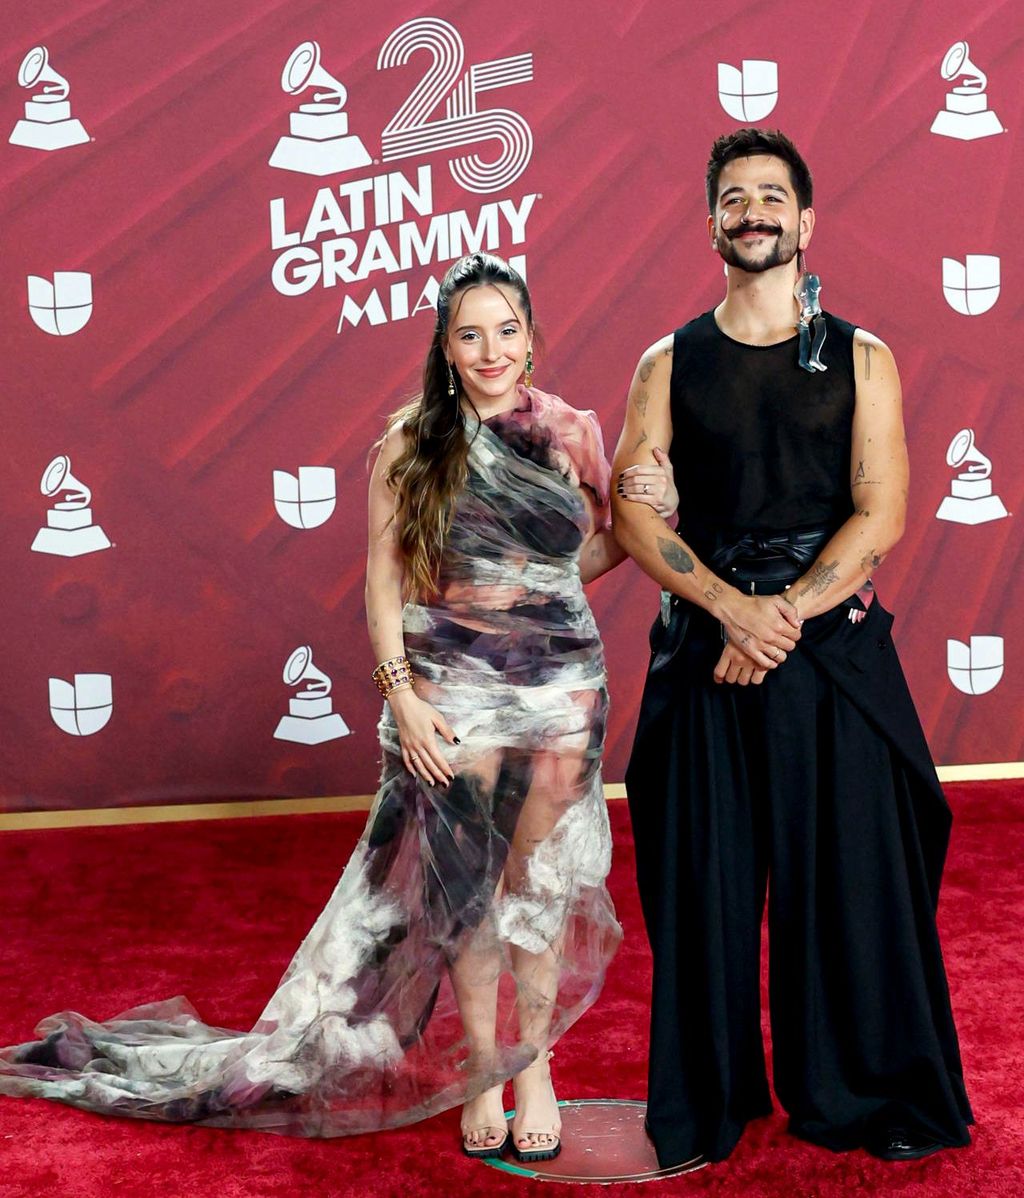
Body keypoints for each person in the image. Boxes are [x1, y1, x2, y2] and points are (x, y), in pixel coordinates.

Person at [0, 252, 675, 1164]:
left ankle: (537, 1067)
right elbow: (385, 581)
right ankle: (485, 1067)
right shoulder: (408, 443)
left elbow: (598, 554)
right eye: (470, 333)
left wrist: (587, 557)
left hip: (560, 688)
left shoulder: (572, 435)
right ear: (444, 343)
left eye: (506, 330)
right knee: (466, 891)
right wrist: (406, 697)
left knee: (542, 884)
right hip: (447, 689)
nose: (490, 350)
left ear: (531, 335)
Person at [611, 128, 973, 1169]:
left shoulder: (862, 357)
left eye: (773, 197)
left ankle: (857, 1089)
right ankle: (709, 1098)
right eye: (735, 198)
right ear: (710, 222)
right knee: (704, 889)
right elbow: (636, 515)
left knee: (854, 886)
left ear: (805, 223)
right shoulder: (664, 362)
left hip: (828, 662)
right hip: (705, 654)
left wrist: (779, 620)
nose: (754, 211)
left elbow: (881, 511)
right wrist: (731, 609)